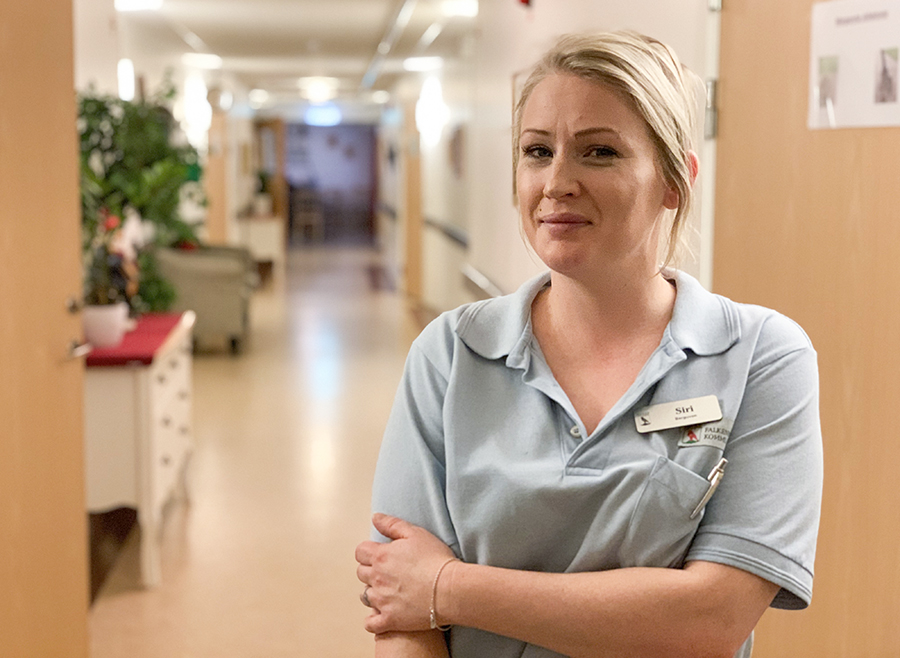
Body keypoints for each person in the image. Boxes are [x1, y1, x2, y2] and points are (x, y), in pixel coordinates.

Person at [355, 31, 823, 658]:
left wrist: (448, 586)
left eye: (598, 152)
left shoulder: (762, 358)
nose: (557, 182)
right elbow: (403, 616)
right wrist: (421, 596)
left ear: (675, 180)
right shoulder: (450, 355)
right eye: (536, 151)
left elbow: (711, 620)